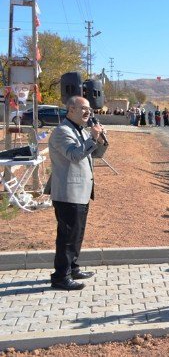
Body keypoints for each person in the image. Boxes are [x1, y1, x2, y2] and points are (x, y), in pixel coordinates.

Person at [47, 96, 108, 290]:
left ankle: (73, 268)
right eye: (83, 108)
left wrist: (100, 140)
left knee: (77, 234)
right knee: (66, 237)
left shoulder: (79, 130)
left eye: (89, 109)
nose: (88, 112)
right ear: (71, 109)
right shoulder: (62, 132)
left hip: (81, 191)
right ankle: (60, 277)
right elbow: (74, 155)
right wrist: (92, 138)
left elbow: (94, 154)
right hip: (67, 193)